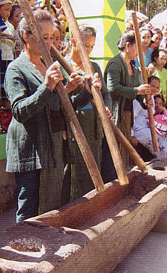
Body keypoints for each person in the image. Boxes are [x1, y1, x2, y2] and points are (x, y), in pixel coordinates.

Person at [4, 9, 93, 222]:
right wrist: (47, 87)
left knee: (52, 205)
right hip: (31, 148)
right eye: (44, 38)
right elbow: (19, 111)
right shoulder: (16, 69)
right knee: (30, 208)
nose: (50, 43)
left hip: (53, 146)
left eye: (53, 37)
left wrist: (83, 91)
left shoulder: (52, 65)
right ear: (26, 36)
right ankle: (23, 252)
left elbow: (62, 106)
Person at [62, 25, 112, 200]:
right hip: (75, 129)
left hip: (94, 129)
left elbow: (106, 94)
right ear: (74, 42)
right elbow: (62, 102)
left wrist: (106, 108)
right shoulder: (62, 66)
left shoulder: (94, 67)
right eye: (85, 46)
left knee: (94, 173)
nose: (89, 50)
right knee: (74, 174)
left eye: (91, 46)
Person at [104, 30, 151, 170]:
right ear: (128, 45)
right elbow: (112, 88)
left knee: (125, 149)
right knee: (114, 149)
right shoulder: (115, 64)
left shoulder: (134, 68)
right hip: (114, 113)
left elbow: (137, 90)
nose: (140, 51)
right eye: (138, 47)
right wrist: (137, 91)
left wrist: (143, 99)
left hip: (126, 115)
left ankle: (123, 178)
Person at [132, 76, 167, 159]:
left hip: (149, 128)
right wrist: (132, 135)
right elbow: (132, 116)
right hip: (140, 131)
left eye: (157, 87)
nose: (154, 89)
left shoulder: (151, 97)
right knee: (162, 151)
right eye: (152, 85)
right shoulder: (140, 97)